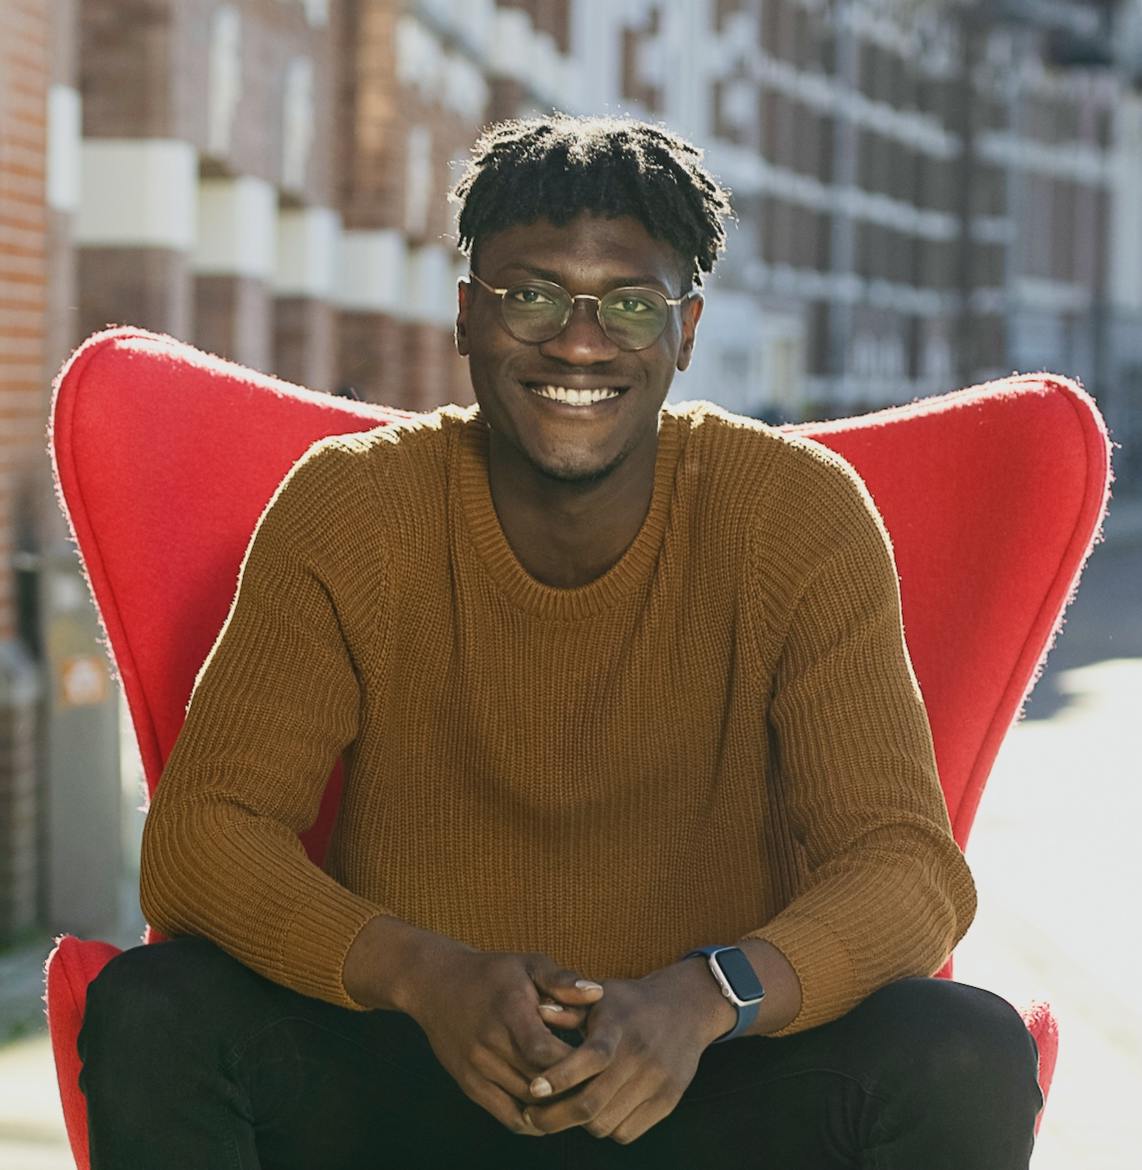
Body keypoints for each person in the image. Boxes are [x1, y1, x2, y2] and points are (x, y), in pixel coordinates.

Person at [78, 114, 1042, 1168]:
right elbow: (202, 837)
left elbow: (906, 870)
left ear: (684, 331)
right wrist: (425, 976)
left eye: (629, 303)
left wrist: (707, 995)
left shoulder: (793, 517)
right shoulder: (353, 509)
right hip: (416, 1073)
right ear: (463, 317)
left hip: (702, 1086)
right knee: (156, 1009)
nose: (579, 341)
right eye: (530, 295)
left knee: (960, 1045)